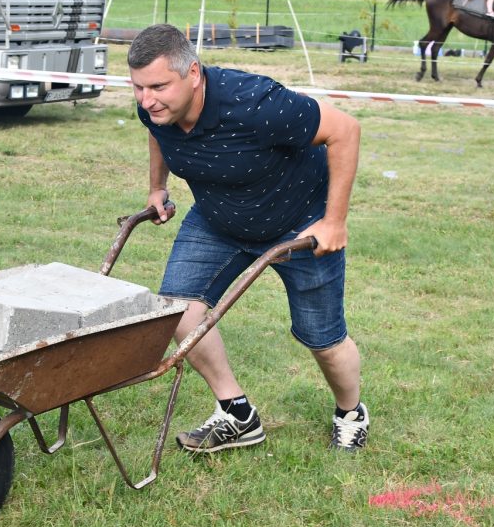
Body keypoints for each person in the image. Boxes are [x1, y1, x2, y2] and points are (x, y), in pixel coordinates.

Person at [127, 24, 368, 452]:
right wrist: (156, 187)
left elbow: (345, 130)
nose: (147, 100)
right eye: (139, 88)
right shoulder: (156, 106)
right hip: (218, 218)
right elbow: (157, 131)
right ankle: (238, 414)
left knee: (323, 339)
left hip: (299, 221)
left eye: (159, 86)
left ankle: (351, 411)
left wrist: (334, 221)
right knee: (178, 309)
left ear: (194, 74)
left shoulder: (256, 103)